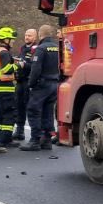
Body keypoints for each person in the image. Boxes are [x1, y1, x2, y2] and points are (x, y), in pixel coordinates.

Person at [20, 24, 61, 152]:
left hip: (42, 84)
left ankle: (35, 140)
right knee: (48, 112)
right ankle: (47, 140)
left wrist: (31, 84)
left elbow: (35, 68)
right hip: (54, 83)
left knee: (33, 110)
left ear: (40, 34)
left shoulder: (41, 49)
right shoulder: (58, 48)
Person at [0, 27, 19, 146]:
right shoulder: (4, 52)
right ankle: (6, 140)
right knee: (9, 115)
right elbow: (6, 69)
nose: (13, 41)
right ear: (6, 39)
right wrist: (19, 65)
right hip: (5, 88)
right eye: (11, 39)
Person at [13, 28, 38, 140]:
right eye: (26, 35)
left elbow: (35, 66)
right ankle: (20, 130)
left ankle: (35, 135)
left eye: (30, 35)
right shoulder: (23, 48)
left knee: (30, 108)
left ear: (35, 37)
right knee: (19, 106)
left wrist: (24, 65)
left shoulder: (36, 49)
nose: (27, 37)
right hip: (20, 81)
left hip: (29, 82)